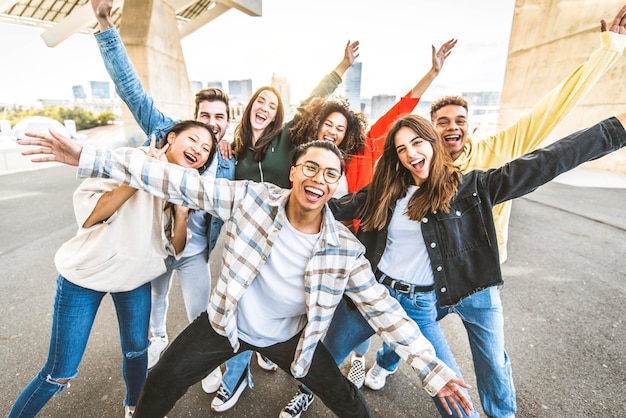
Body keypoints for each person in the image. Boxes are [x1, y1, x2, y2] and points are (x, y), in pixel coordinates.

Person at [19, 136, 477, 418]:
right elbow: (181, 183)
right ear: (295, 172)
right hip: (225, 327)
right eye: (311, 167)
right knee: (159, 385)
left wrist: (432, 369)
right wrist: (89, 156)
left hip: (289, 339)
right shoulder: (253, 199)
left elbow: (384, 310)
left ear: (337, 185)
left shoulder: (344, 248)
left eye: (331, 173)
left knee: (349, 403)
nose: (319, 178)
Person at [323, 111, 626, 417]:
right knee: (323, 357)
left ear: (433, 142)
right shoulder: (385, 192)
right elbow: (333, 209)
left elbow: (544, 162)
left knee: (463, 389)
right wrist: (288, 199)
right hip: (377, 296)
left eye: (417, 142)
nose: (411, 153)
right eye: (402, 149)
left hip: (442, 296)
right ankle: (312, 390)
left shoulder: (472, 187)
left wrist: (613, 130)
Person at [404, 6, 626, 416]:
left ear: (468, 125)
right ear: (431, 129)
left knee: (493, 361)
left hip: (480, 282)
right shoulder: (418, 166)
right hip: (431, 279)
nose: (452, 127)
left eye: (460, 120)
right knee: (411, 337)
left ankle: (501, 414)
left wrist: (608, 50)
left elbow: (554, 107)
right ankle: (382, 361)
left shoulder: (496, 152)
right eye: (442, 121)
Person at [279, 38, 458, 418]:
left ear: (349, 133)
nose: (332, 131)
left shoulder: (366, 151)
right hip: (316, 242)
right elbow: (309, 101)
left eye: (340, 127)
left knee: (360, 313)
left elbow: (404, 109)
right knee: (321, 318)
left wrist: (433, 73)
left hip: (360, 250)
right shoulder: (305, 153)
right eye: (327, 124)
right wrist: (340, 66)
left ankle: (359, 361)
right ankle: (305, 376)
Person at [9, 120, 216, 418]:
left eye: (206, 149)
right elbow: (92, 214)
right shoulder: (131, 159)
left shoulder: (180, 189)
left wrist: (182, 214)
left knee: (136, 352)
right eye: (193, 140)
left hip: (135, 278)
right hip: (85, 275)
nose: (198, 149)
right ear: (171, 138)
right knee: (59, 374)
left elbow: (177, 248)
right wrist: (137, 178)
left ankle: (134, 407)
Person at [209, 41, 362, 413]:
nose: (264, 109)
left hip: (288, 233)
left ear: (278, 114)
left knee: (276, 304)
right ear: (248, 109)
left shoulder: (287, 137)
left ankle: (265, 352)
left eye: (272, 105)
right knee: (243, 304)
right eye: (259, 103)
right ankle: (234, 379)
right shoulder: (236, 147)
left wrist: (342, 65)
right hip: (248, 238)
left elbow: (315, 98)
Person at [91, 0, 232, 392]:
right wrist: (105, 24)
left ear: (227, 122)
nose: (211, 124)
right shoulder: (166, 131)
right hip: (155, 242)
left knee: (201, 311)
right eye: (205, 116)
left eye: (219, 117)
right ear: (194, 116)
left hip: (194, 249)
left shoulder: (228, 163)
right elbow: (130, 90)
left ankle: (205, 361)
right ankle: (157, 340)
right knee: (156, 301)